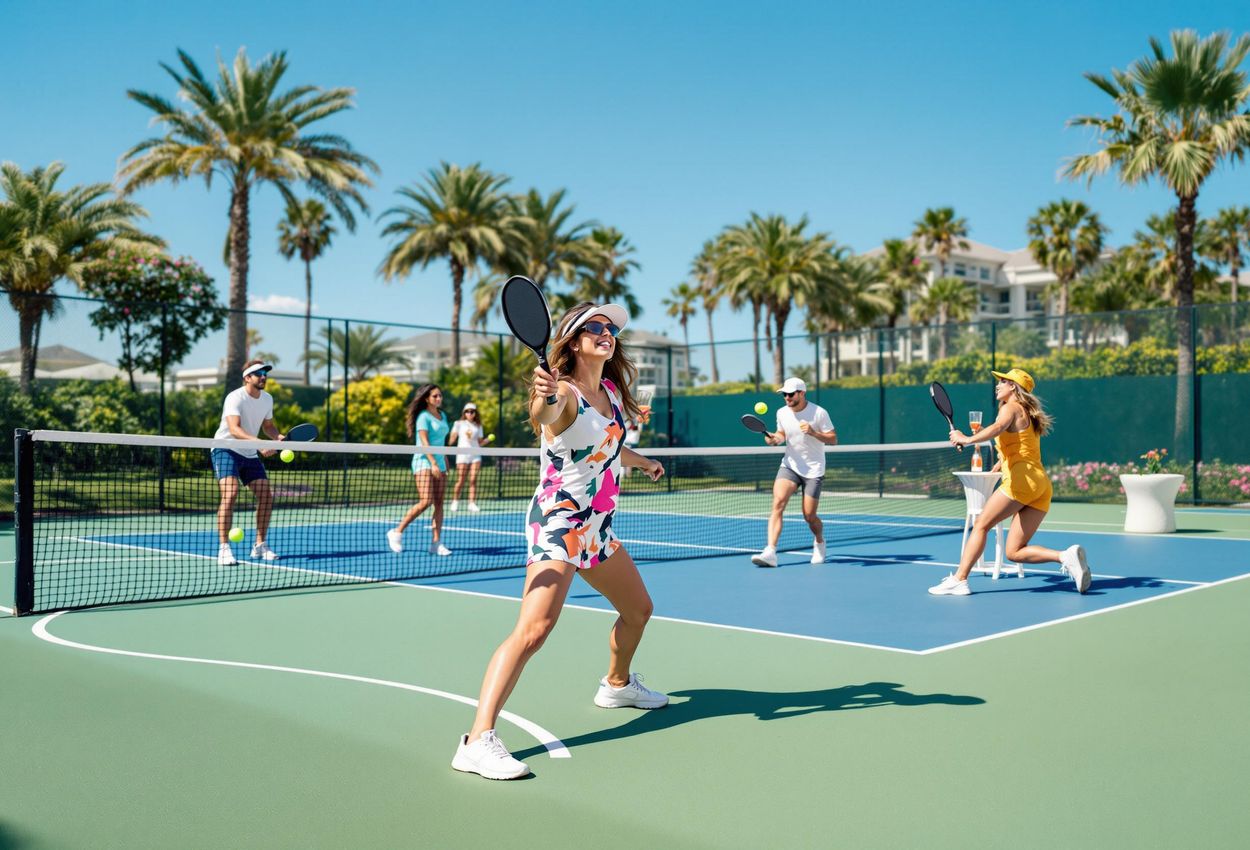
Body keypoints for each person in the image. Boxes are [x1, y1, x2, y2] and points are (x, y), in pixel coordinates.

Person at [452, 302, 668, 781]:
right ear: (572, 340)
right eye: (595, 327)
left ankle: (617, 685)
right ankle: (476, 740)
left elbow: (608, 443)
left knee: (639, 610)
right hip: (559, 520)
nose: (606, 333)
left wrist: (643, 461)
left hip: (597, 527)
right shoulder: (565, 392)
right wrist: (543, 395)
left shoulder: (610, 390)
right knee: (534, 630)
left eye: (611, 328)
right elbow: (546, 414)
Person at [929, 368, 1091, 596]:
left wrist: (966, 439)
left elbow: (997, 428)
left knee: (982, 525)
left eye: (1002, 382)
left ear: (1013, 386)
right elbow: (1016, 449)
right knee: (1014, 552)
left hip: (1022, 482)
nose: (997, 385)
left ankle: (960, 579)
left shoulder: (1010, 408)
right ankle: (1065, 556)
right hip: (1040, 485)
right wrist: (997, 466)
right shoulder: (1027, 413)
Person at [750, 377, 837, 568]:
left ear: (802, 393)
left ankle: (820, 542)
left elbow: (833, 439)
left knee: (809, 515)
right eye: (784, 394)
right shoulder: (781, 412)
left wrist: (814, 433)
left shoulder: (819, 413)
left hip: (813, 470)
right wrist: (775, 439)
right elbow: (781, 434)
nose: (787, 397)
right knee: (778, 503)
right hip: (790, 465)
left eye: (790, 394)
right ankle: (770, 552)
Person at [211, 360, 286, 566]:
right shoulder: (235, 397)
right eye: (258, 373)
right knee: (231, 493)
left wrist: (276, 437)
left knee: (266, 496)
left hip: (249, 453)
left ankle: (260, 546)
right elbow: (234, 429)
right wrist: (260, 444)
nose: (263, 376)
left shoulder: (267, 399)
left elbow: (268, 426)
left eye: (265, 373)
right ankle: (224, 548)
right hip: (225, 448)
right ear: (247, 377)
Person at [387, 384, 452, 556]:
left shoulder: (442, 415)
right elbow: (424, 443)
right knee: (426, 501)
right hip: (423, 461)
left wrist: (444, 459)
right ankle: (397, 532)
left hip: (440, 462)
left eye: (440, 395)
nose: (439, 399)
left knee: (439, 503)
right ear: (426, 399)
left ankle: (436, 543)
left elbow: (441, 441)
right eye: (435, 396)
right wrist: (433, 463)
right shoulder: (423, 417)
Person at [449, 402, 492, 512]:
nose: (469, 413)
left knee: (473, 480)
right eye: (467, 411)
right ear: (464, 413)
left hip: (475, 454)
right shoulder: (458, 423)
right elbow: (452, 438)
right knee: (461, 479)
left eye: (472, 411)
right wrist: (449, 443)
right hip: (462, 454)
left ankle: (472, 503)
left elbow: (480, 442)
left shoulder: (478, 426)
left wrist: (487, 440)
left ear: (475, 413)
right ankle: (455, 501)